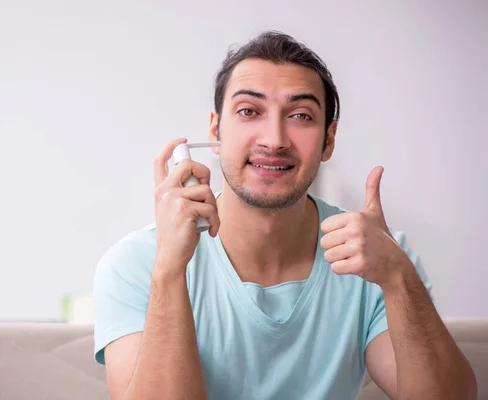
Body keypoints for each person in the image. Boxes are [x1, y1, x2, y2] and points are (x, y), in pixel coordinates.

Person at [92, 31, 477, 400]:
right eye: (248, 111)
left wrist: (398, 276)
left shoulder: (377, 256)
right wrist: (170, 269)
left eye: (302, 116)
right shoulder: (136, 264)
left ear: (328, 141)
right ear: (216, 129)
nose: (274, 140)